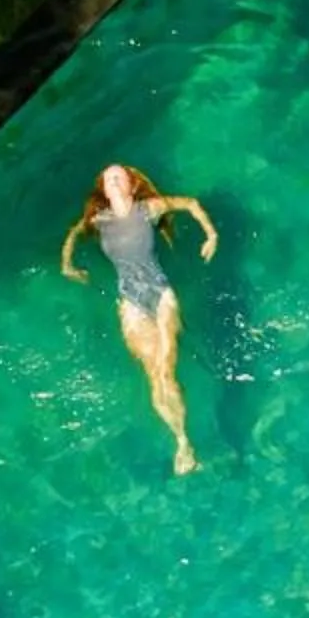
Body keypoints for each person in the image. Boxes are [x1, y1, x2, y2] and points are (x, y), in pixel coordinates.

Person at [62, 163, 218, 475]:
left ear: (132, 186)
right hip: (130, 302)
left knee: (166, 369)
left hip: (160, 295)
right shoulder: (98, 219)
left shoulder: (149, 209)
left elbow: (189, 203)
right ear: (105, 191)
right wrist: (67, 264)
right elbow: (74, 233)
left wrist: (210, 235)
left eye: (120, 177)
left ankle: (184, 441)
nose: (114, 181)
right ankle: (182, 442)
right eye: (108, 179)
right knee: (154, 375)